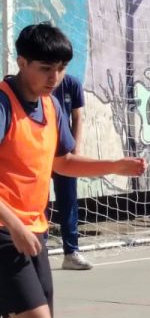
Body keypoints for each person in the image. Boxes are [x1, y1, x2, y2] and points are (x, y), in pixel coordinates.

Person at [0, 22, 146, 318]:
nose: (54, 77)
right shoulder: (2, 104)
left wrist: (116, 166)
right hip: (6, 232)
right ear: (21, 61)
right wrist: (15, 225)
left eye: (61, 69)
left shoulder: (51, 105)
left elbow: (62, 162)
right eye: (45, 68)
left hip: (32, 230)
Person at [51, 73, 90, 270]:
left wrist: (75, 149)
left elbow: (77, 116)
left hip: (63, 150)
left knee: (68, 201)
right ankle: (33, 250)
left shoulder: (72, 83)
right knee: (37, 201)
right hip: (39, 151)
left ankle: (71, 252)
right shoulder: (33, 83)